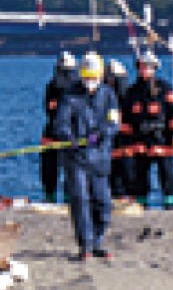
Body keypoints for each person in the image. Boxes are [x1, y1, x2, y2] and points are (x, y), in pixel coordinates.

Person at [54, 51, 119, 261]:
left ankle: (98, 240)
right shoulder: (70, 95)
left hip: (100, 157)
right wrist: (70, 139)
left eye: (93, 78)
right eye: (86, 78)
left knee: (103, 201)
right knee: (80, 199)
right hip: (77, 158)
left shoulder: (109, 95)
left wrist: (102, 132)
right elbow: (61, 123)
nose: (89, 82)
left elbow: (114, 122)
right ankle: (85, 244)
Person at [122, 49, 173, 208]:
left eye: (148, 67)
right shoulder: (132, 92)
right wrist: (127, 141)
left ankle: (171, 202)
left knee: (167, 172)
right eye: (142, 67)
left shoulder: (165, 89)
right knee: (139, 174)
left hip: (161, 139)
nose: (145, 70)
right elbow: (126, 119)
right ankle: (141, 203)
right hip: (140, 141)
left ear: (154, 68)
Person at [39, 51, 77, 203]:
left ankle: (70, 201)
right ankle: (49, 199)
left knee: (71, 172)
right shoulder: (51, 86)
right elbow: (48, 109)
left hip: (71, 135)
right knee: (48, 172)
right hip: (51, 133)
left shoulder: (77, 88)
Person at [106, 59, 132, 199]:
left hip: (125, 143)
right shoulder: (102, 96)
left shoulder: (129, 96)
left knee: (127, 173)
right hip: (108, 144)